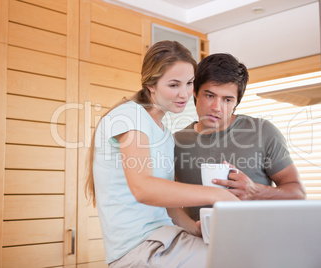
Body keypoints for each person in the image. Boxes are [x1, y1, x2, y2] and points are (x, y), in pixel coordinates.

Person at [85, 41, 239, 268]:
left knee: (238, 251)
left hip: (164, 237)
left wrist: (193, 228)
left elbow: (167, 204)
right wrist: (216, 195)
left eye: (189, 83)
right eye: (174, 85)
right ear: (151, 84)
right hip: (138, 249)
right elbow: (144, 189)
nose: (185, 93)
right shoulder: (129, 116)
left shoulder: (164, 133)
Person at [174, 53, 306, 221]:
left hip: (257, 240)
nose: (216, 107)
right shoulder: (176, 143)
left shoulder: (263, 132)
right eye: (209, 95)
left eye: (227, 100)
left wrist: (256, 192)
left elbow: (298, 193)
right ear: (195, 92)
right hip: (198, 242)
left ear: (236, 102)